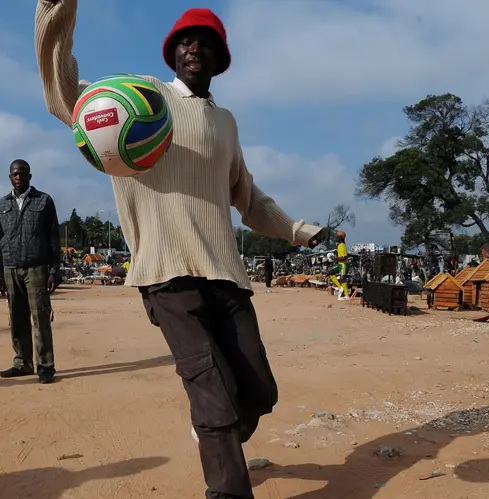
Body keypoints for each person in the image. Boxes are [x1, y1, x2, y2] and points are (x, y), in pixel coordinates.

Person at [35, 3, 323, 497]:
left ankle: (217, 427)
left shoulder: (225, 123)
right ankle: (224, 473)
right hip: (166, 274)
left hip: (225, 272)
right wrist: (54, 8)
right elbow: (63, 92)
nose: (194, 47)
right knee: (212, 395)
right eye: (185, 40)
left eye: (205, 41)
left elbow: (248, 200)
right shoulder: (137, 101)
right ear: (172, 53)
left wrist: (299, 230)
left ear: (219, 57)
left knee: (258, 390)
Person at [0, 159, 61, 384]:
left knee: (40, 318)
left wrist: (54, 270)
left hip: (36, 269)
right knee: (17, 318)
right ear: (10, 177)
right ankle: (22, 363)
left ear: (30, 176)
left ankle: (45, 367)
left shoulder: (44, 201)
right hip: (11, 269)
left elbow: (53, 237)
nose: (18, 177)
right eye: (14, 174)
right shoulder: (2, 205)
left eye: (22, 173)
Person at [329, 231, 350, 300]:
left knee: (343, 279)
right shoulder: (340, 245)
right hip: (340, 264)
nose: (336, 238)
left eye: (337, 236)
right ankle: (340, 287)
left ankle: (347, 296)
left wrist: (335, 258)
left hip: (343, 264)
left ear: (340, 238)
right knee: (330, 272)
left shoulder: (342, 245)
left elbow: (344, 257)